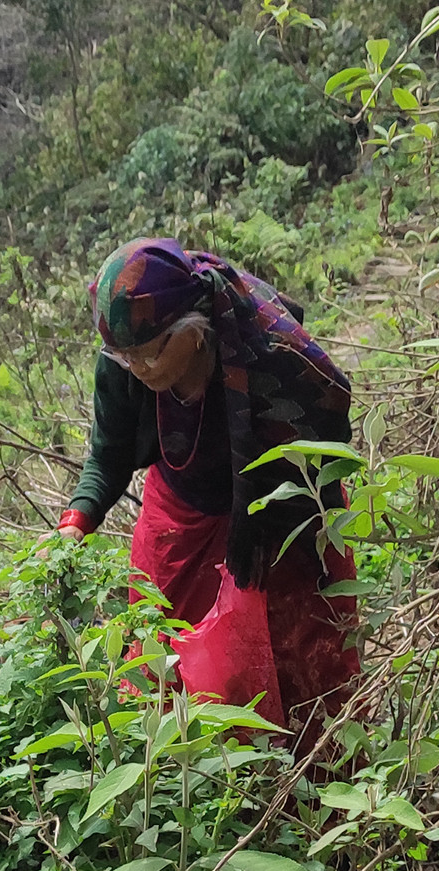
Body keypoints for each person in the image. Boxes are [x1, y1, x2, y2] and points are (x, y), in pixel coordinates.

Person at [56, 237, 360, 725]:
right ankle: (185, 776)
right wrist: (77, 519)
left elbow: (324, 448)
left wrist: (306, 545)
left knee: (297, 661)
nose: (136, 368)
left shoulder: (269, 359)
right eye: (124, 357)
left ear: (193, 330)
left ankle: (303, 780)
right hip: (180, 510)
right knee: (160, 654)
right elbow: (107, 454)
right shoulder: (124, 365)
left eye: (150, 354)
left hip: (276, 515)